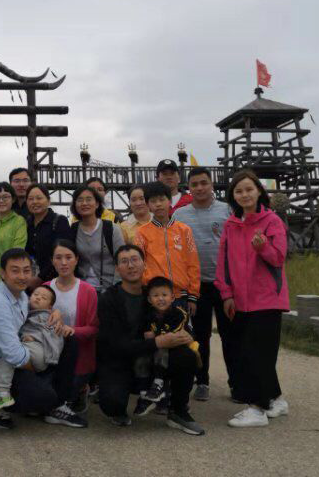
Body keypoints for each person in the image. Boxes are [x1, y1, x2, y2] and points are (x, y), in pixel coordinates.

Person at [96, 245, 205, 435]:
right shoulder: (109, 299)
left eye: (135, 260)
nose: (131, 266)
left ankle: (178, 410)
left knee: (186, 355)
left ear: (144, 264)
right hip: (121, 362)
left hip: (154, 359)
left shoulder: (155, 295)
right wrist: (157, 342)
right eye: (124, 262)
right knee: (113, 404)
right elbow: (113, 346)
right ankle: (131, 396)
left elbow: (177, 317)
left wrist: (186, 334)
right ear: (117, 269)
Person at [0, 249, 86, 429]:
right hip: (0, 368)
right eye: (15, 271)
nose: (22, 276)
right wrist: (39, 370)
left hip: (24, 357)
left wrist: (56, 312)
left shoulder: (22, 295)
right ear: (3, 273)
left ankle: (57, 407)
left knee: (69, 339)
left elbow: (40, 308)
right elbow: (13, 354)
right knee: (44, 396)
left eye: (26, 270)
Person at [216, 170, 289, 428]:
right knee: (252, 351)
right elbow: (223, 263)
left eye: (249, 189)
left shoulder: (272, 221)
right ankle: (276, 399)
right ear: (233, 196)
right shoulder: (231, 224)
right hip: (240, 299)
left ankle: (257, 409)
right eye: (239, 191)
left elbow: (278, 258)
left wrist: (263, 247)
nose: (244, 194)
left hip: (267, 298)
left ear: (259, 191)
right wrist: (226, 294)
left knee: (258, 354)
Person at [173, 167, 232, 401]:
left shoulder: (227, 210)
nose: (199, 188)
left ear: (212, 184)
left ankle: (236, 382)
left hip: (225, 283)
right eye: (194, 184)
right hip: (196, 286)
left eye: (204, 183)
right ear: (188, 188)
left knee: (229, 334)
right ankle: (202, 381)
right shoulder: (180, 215)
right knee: (200, 335)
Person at [0, 284, 64, 421]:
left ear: (50, 307)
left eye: (43, 297)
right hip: (28, 349)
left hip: (38, 352)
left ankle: (3, 394)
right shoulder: (24, 307)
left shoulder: (47, 317)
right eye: (35, 294)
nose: (38, 298)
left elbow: (54, 337)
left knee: (7, 359)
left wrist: (35, 337)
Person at [134, 276, 200, 416]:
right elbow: (144, 333)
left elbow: (172, 336)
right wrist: (150, 337)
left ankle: (160, 386)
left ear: (172, 297)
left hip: (176, 348)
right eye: (156, 295)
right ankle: (145, 394)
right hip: (157, 347)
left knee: (162, 349)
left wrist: (155, 336)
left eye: (164, 295)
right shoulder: (147, 315)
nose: (160, 299)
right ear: (149, 299)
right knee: (142, 357)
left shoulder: (179, 313)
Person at [43, 240, 99, 408]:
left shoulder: (88, 290)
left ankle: (82, 389)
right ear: (52, 261)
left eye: (68, 257)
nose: (64, 262)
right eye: (58, 258)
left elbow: (94, 328)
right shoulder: (45, 288)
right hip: (49, 354)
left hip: (78, 357)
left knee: (66, 398)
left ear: (76, 259)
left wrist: (71, 330)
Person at [136, 181, 201, 314]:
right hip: (155, 295)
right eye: (153, 201)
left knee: (181, 328)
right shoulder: (142, 233)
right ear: (148, 205)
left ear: (170, 201)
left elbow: (193, 263)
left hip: (181, 296)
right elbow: (140, 263)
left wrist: (193, 295)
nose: (158, 204)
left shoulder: (184, 230)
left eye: (162, 199)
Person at [70, 184, 124, 293]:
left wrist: (116, 289)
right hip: (81, 291)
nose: (84, 203)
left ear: (97, 204)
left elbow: (122, 260)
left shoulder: (111, 229)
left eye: (89, 199)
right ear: (75, 205)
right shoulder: (73, 230)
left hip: (109, 290)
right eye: (80, 200)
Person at [25, 184, 71, 286]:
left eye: (39, 198)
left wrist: (40, 278)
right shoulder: (27, 224)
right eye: (30, 199)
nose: (34, 202)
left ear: (48, 201)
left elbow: (61, 253)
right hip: (31, 281)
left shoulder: (59, 221)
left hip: (55, 281)